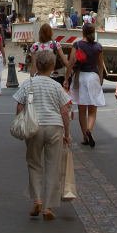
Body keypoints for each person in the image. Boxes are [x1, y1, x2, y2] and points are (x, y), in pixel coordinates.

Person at [13, 46, 72, 220]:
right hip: (54, 126)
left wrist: (21, 122)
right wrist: (67, 134)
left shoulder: (28, 83)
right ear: (53, 67)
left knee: (34, 163)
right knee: (53, 166)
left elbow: (19, 105)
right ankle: (48, 206)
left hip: (34, 127)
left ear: (36, 66)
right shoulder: (56, 86)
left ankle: (37, 199)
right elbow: (64, 111)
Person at [64, 22, 105, 146]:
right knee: (93, 108)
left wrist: (66, 78)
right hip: (93, 77)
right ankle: (89, 130)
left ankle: (84, 136)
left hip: (80, 77)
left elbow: (71, 62)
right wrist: (101, 78)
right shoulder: (98, 46)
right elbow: (100, 65)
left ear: (83, 32)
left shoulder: (77, 45)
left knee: (82, 109)